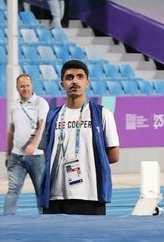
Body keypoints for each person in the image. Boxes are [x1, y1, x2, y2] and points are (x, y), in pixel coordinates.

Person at [38, 59, 120, 215]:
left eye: (80, 76)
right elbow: (47, 152)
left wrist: (86, 162)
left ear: (87, 82)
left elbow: (114, 155)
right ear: (62, 83)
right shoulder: (52, 116)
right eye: (69, 77)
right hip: (55, 196)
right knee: (55, 240)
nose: (75, 81)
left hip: (90, 196)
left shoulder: (102, 114)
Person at [3, 73, 49, 215]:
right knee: (13, 189)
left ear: (32, 86)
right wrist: (8, 152)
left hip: (36, 156)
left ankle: (45, 218)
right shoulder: (14, 105)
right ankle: (7, 219)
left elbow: (42, 126)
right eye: (22, 86)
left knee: (40, 190)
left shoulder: (40, 103)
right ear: (17, 88)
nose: (25, 89)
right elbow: (11, 131)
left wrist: (33, 145)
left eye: (27, 86)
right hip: (17, 156)